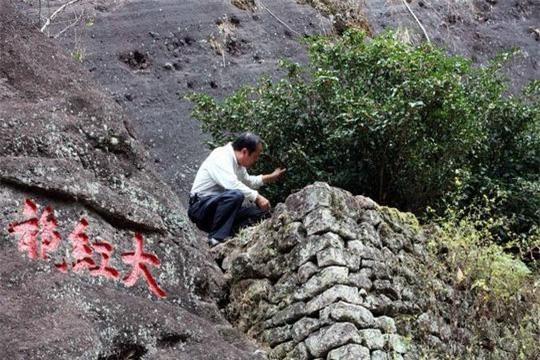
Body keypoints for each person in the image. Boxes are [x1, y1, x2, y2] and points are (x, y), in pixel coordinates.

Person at [188, 132, 286, 247]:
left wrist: (271, 177)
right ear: (245, 152)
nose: (256, 160)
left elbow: (248, 181)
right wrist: (257, 197)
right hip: (200, 208)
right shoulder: (221, 156)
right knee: (235, 195)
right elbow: (232, 185)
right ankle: (216, 239)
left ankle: (231, 239)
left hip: (218, 211)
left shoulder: (239, 164)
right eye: (255, 156)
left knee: (259, 213)